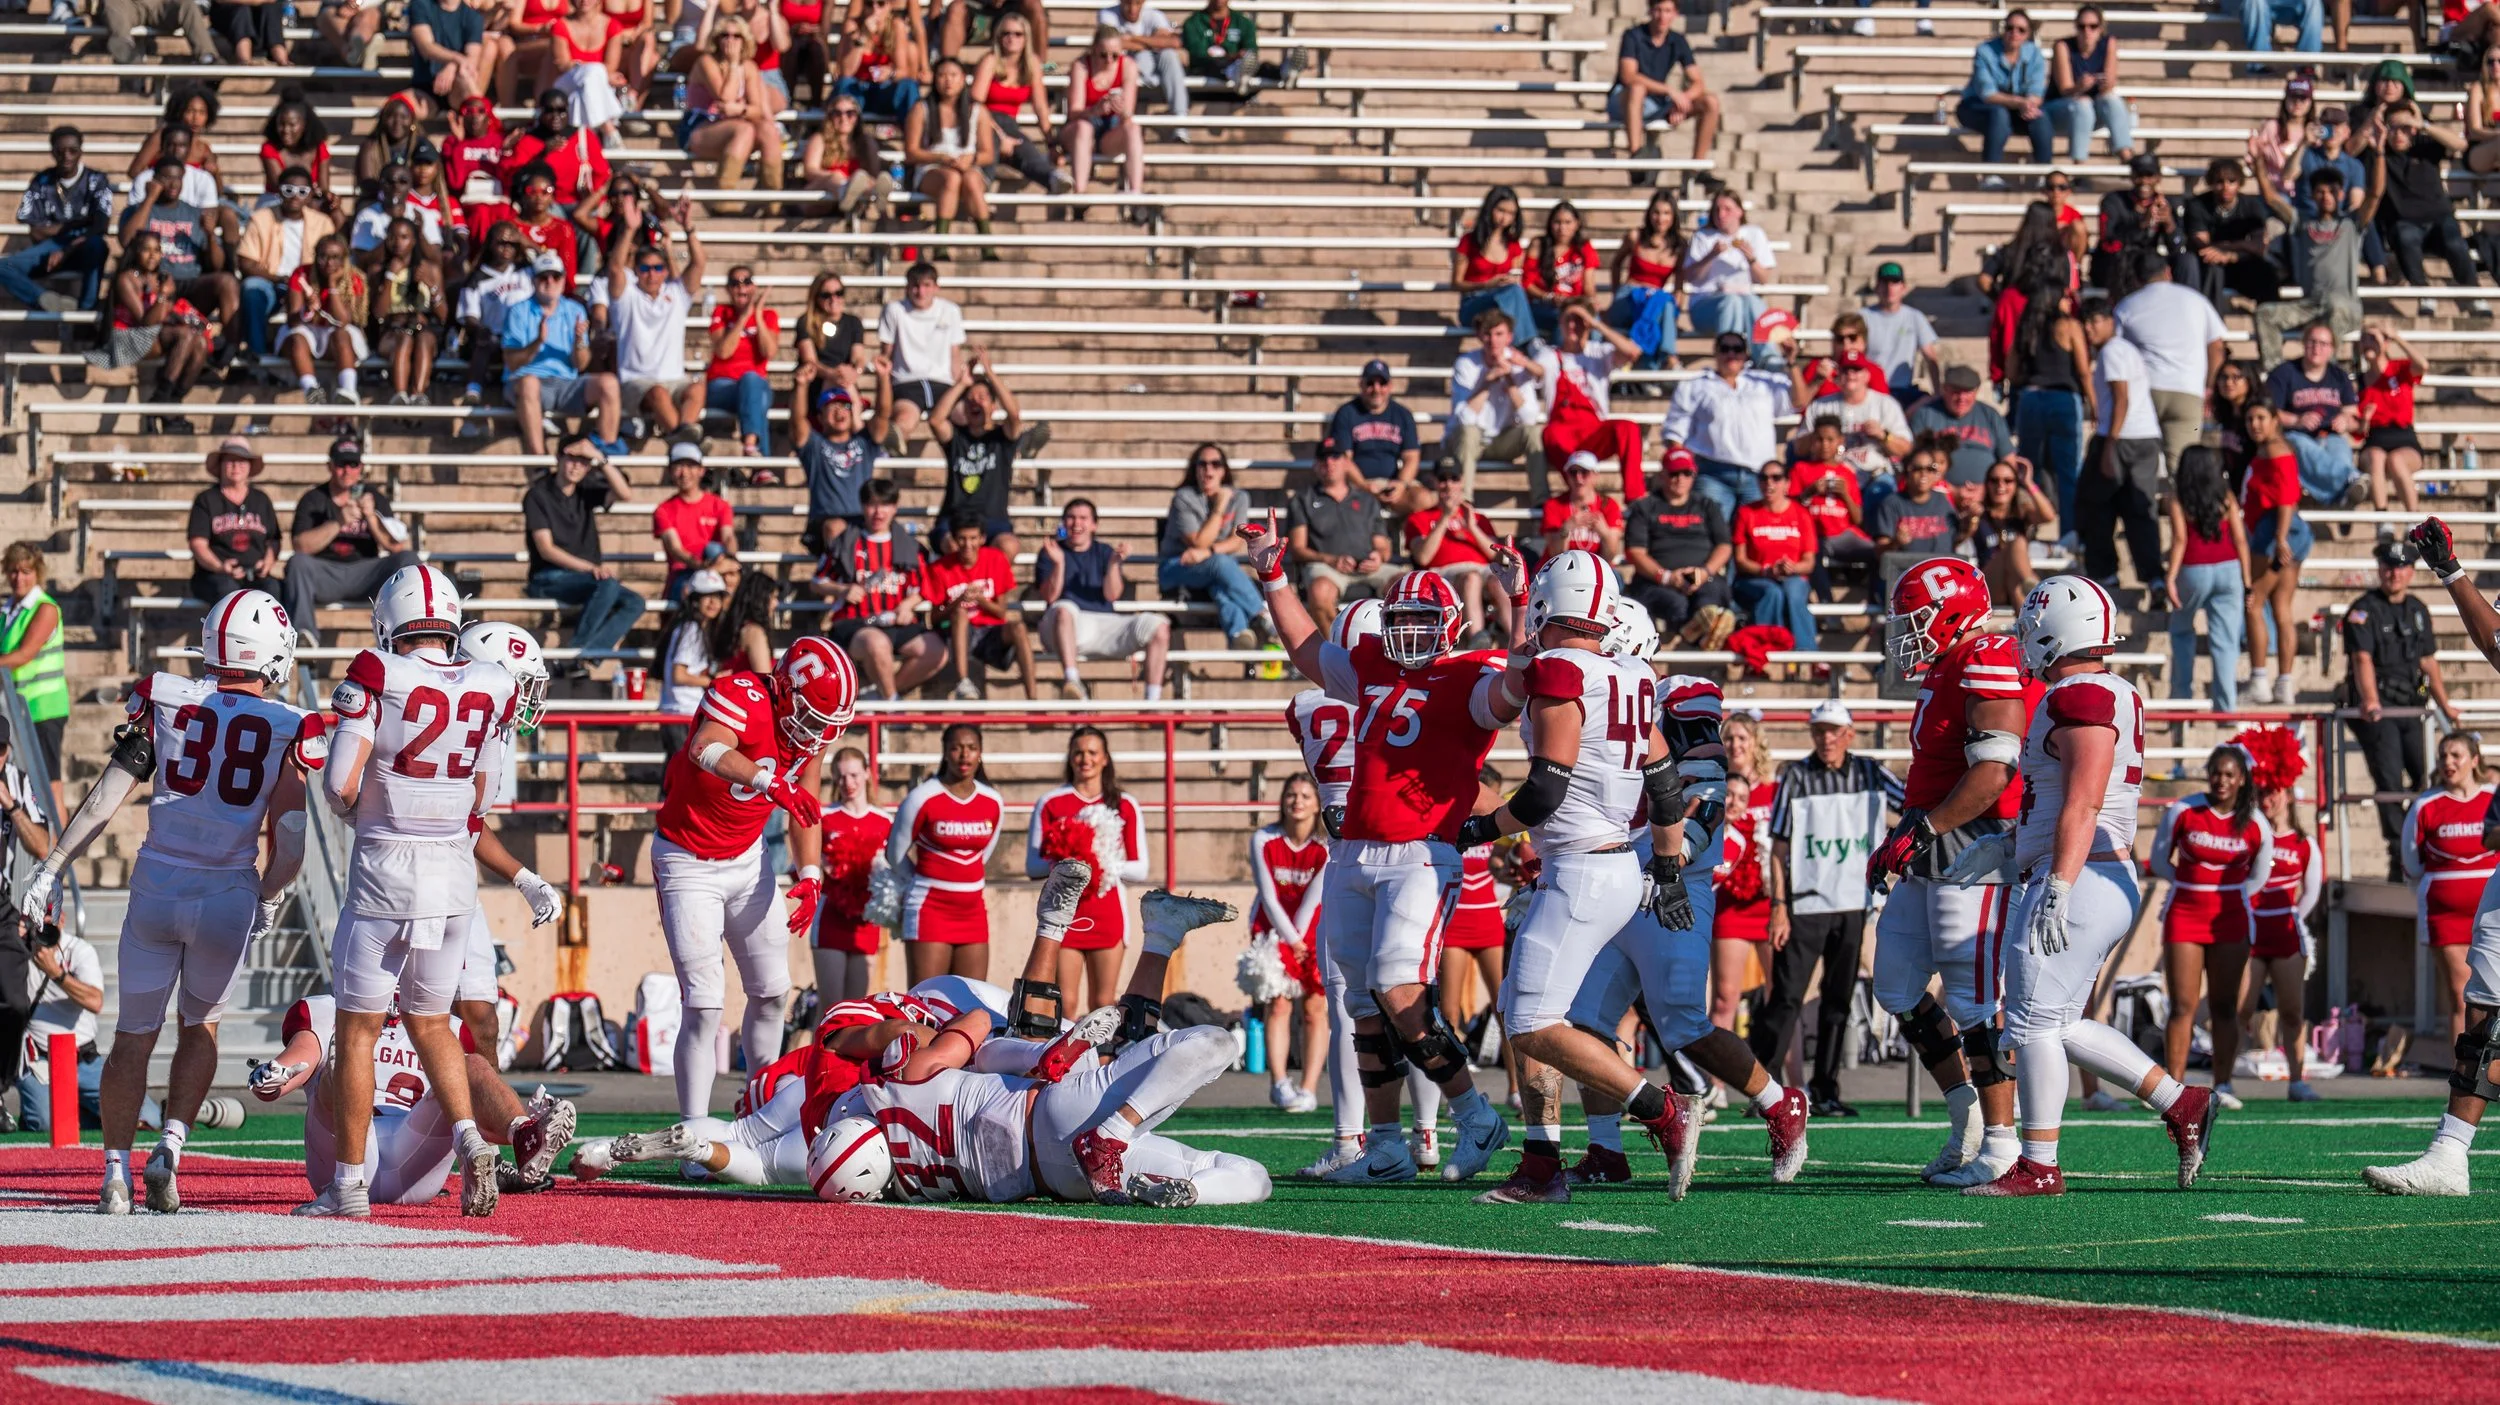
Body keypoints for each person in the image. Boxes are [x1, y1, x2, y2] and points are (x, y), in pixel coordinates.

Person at [1241, 514, 1524, 1185]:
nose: (1409, 631)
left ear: (1451, 625)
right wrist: (1272, 572)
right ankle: (1389, 1145)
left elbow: (1514, 688)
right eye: (1401, 618)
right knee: (1362, 1007)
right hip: (1353, 855)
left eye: (1424, 620)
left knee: (1398, 989)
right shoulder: (1371, 664)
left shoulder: (1468, 676)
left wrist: (1516, 601)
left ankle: (1474, 1112)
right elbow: (1309, 647)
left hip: (1420, 853)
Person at [20, 592, 308, 1211]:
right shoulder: (288, 725)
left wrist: (51, 867)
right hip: (227, 888)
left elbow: (103, 801)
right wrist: (268, 894)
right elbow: (290, 839)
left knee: (132, 1036)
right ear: (272, 656)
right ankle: (170, 1151)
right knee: (200, 1027)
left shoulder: (168, 698)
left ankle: (116, 1176)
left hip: (157, 884)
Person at [1965, 575, 2214, 1198]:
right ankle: (2182, 1104)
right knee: (2061, 1022)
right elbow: (2060, 804)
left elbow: (2084, 800)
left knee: (2032, 1025)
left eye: (2030, 627)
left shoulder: (2081, 694)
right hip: (2093, 870)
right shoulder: (2101, 691)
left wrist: (2058, 883)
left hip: (2081, 872)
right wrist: (2006, 850)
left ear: (2055, 632)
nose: (2023, 639)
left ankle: (2040, 1164)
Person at [1464, 552, 1698, 1203]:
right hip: (1616, 863)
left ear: (1549, 606)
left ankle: (1659, 1106)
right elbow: (1666, 784)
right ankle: (1541, 1162)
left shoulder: (1563, 670)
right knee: (1522, 1007)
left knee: (1532, 1020)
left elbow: (1544, 788)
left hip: (1582, 868)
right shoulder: (1628, 674)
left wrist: (1480, 829)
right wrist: (1669, 865)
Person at [1861, 559, 2036, 1183]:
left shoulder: (1984, 652)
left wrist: (1925, 826)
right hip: (1933, 835)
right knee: (1897, 984)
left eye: (1917, 619)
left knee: (1972, 998)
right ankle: (1965, 1119)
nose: (1907, 633)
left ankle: (2002, 1146)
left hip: (1973, 841)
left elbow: (1995, 771)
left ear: (1953, 611)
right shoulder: (1947, 665)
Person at [649, 635, 852, 1118]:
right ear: (785, 689)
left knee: (772, 991)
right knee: (704, 1005)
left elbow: (806, 801)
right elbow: (704, 748)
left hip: (748, 860)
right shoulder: (741, 693)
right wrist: (766, 780)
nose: (815, 733)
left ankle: (763, 1111)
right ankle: (693, 1131)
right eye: (812, 717)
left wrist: (809, 870)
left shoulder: (811, 735)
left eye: (826, 725)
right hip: (687, 860)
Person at [249, 991, 571, 1204]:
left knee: (468, 1066)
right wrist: (275, 1074)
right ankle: (509, 1136)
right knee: (341, 1061)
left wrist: (506, 1120)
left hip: (414, 1155)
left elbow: (470, 1107)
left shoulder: (445, 1027)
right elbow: (298, 1061)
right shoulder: (325, 1011)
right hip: (346, 1154)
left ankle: (523, 1135)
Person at [1756, 701, 1900, 1117]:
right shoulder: (1797, 776)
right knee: (1786, 997)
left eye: (1835, 730)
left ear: (1849, 734)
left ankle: (1826, 1090)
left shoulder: (1871, 771)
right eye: (1820, 730)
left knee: (1838, 1001)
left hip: (1854, 902)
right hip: (1807, 902)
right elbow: (1779, 846)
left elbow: (1913, 803)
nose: (1827, 738)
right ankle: (1760, 1086)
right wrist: (1779, 906)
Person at [2151, 746, 2267, 1112]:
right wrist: (2190, 885)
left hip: (2231, 918)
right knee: (2183, 1004)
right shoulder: (2184, 811)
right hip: (2185, 913)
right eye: (2216, 772)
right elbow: (2159, 860)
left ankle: (2223, 1083)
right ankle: (2173, 1087)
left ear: (2242, 779)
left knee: (2223, 1006)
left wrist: (2227, 894)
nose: (2221, 780)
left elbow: (2259, 876)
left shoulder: (2255, 822)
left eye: (2230, 774)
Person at [2343, 534, 2455, 875]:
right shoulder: (2363, 610)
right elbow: (2361, 660)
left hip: (2412, 707)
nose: (2394, 573)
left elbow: (2428, 663)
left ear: (2411, 571)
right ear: (2380, 569)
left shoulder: (2418, 610)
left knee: (2426, 776)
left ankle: (2425, 843)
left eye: (2402, 567)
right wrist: (2372, 702)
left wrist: (2446, 707)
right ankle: (2397, 852)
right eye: (2389, 567)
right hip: (2380, 711)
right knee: (2390, 783)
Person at [1022, 727, 1149, 1012]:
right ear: (1070, 758)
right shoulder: (1051, 802)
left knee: (1103, 1004)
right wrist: (1068, 861)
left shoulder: (1125, 804)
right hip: (1065, 915)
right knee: (1065, 1003)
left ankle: (1101, 1059)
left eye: (1093, 752)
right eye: (1078, 752)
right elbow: (1032, 866)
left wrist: (1098, 861)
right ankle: (1064, 1058)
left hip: (1108, 915)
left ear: (1105, 758)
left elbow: (1141, 869)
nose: (1085, 759)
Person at [888, 722, 1007, 980]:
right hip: (930, 909)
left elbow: (983, 854)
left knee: (972, 1003)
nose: (964, 755)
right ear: (944, 752)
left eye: (971, 748)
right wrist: (924, 881)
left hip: (974, 912)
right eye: (956, 748)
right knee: (925, 1002)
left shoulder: (993, 800)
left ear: (980, 752)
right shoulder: (921, 797)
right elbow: (894, 854)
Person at [2402, 733, 2497, 1045]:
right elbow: (2411, 864)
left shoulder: (2492, 797)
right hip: (2446, 915)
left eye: (2456, 755)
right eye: (2443, 756)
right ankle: (2460, 1081)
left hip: (2492, 912)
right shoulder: (2425, 805)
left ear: (2474, 760)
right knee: (2463, 993)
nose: (2448, 762)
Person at [523, 435, 645, 672]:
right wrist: (590, 568)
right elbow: (546, 550)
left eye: (584, 461)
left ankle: (587, 655)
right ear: (558, 458)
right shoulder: (538, 495)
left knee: (635, 602)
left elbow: (625, 494)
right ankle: (575, 653)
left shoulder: (586, 490)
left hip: (586, 580)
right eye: (571, 458)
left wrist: (601, 458)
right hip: (548, 577)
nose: (577, 466)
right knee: (607, 583)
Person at [282, 439, 419, 646]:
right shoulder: (313, 499)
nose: (347, 470)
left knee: (409, 559)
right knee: (297, 563)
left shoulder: (374, 497)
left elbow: (396, 546)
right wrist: (338, 522)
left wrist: (371, 518)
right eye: (341, 464)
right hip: (326, 574)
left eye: (353, 464)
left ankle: (408, 633)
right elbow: (300, 545)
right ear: (330, 466)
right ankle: (304, 635)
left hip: (366, 574)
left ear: (361, 468)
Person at [1247, 774, 1328, 1115]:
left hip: (1315, 928)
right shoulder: (1264, 838)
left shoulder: (1327, 844)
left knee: (1314, 1008)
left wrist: (1301, 939)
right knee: (1278, 1004)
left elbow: (1314, 897)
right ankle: (1279, 1082)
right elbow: (1267, 894)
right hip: (1272, 928)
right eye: (1291, 794)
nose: (1297, 801)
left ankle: (1309, 1087)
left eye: (1306, 795)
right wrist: (1290, 939)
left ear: (1318, 803)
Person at [1035, 499, 1169, 702]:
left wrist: (1115, 563)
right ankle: (1072, 682)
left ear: (1094, 525)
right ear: (1063, 522)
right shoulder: (1050, 552)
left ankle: (1152, 703)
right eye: (1071, 517)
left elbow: (1112, 595)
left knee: (1158, 625)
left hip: (1102, 624)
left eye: (1083, 518)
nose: (1076, 523)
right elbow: (1049, 597)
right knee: (1064, 609)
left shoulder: (1105, 552)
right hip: (1062, 628)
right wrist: (1059, 564)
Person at [2254, 154, 2377, 370]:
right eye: (2320, 192)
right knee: (2265, 314)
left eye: (2331, 192)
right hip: (2311, 305)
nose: (2326, 196)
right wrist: (2258, 162)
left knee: (2335, 308)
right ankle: (2274, 376)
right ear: (2312, 195)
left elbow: (2375, 193)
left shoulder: (2351, 224)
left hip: (2344, 306)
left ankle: (2326, 375)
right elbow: (2272, 198)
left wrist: (2379, 153)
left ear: (2341, 194)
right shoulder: (2302, 222)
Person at [2244, 758, 2320, 1101]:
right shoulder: (2249, 836)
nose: (2266, 800)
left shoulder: (2304, 843)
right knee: (2239, 1009)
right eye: (2260, 793)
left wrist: (2292, 918)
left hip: (2286, 935)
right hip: (2251, 935)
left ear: (2288, 794)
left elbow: (2312, 893)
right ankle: (2223, 1082)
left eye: (2272, 793)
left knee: (2292, 1012)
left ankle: (2297, 1081)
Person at [2078, 297, 2163, 600]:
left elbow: (2121, 397)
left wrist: (2109, 444)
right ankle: (2154, 578)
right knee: (2139, 509)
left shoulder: (2112, 351)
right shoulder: (2126, 349)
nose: (2090, 329)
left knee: (2095, 506)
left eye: (2095, 321)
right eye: (2085, 323)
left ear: (2110, 321)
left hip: (2121, 437)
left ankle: (2105, 573)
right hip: (2145, 436)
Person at [2111, 253, 2225, 478]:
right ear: (2168, 272)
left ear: (2137, 279)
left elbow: (2116, 354)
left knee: (2140, 465)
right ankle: (2181, 510)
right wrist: (2210, 387)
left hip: (2144, 392)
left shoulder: (2127, 306)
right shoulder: (2196, 300)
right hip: (2187, 394)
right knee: (2182, 468)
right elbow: (2217, 349)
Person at [505, 252, 625, 457]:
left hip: (566, 383)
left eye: (555, 276)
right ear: (534, 281)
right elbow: (512, 362)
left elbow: (581, 364)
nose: (550, 282)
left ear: (563, 280)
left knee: (609, 383)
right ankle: (539, 461)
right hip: (527, 383)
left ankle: (606, 459)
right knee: (529, 383)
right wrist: (538, 342)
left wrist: (579, 340)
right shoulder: (518, 311)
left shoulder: (575, 310)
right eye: (544, 277)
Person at [89, 232, 212, 430]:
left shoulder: (162, 278)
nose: (152, 255)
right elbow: (145, 322)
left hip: (157, 336)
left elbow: (165, 317)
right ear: (136, 252)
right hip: (129, 337)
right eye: (147, 250)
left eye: (157, 250)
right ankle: (161, 401)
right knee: (186, 335)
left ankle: (170, 402)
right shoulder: (126, 279)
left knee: (200, 342)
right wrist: (163, 295)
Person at [2368, 106, 2484, 310]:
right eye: (2393, 127)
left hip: (2440, 217)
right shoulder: (2379, 152)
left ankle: (2473, 293)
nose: (2399, 134)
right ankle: (2424, 293)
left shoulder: (2425, 145)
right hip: (2405, 221)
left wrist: (2423, 125)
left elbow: (2460, 145)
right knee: (2405, 238)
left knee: (2455, 242)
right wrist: (2378, 146)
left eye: (2405, 128)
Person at [2162, 446, 2250, 713]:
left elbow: (2180, 540)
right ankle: (2226, 709)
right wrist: (2247, 581)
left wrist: (2170, 577)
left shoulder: (2178, 499)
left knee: (2181, 632)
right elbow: (2240, 540)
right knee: (2225, 642)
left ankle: (2181, 703)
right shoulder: (2226, 497)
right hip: (2229, 569)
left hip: (2193, 570)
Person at [608, 195, 702, 442]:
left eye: (658, 268)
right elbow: (616, 269)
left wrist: (688, 228)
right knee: (658, 393)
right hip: (636, 382)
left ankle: (682, 436)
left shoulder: (676, 294)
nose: (652, 274)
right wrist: (629, 229)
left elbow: (699, 264)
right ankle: (687, 443)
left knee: (697, 387)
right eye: (645, 268)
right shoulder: (627, 297)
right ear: (636, 271)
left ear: (665, 271)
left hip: (674, 380)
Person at [2008, 264, 2092, 535]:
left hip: (2030, 399)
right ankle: (2069, 533)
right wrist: (2093, 402)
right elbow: (2082, 369)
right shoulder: (2068, 326)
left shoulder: (2025, 327)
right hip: (2063, 399)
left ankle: (2025, 531)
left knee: (2028, 470)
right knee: (2068, 472)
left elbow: (2011, 370)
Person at [1663, 332, 1782, 521]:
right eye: (1725, 349)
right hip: (1712, 473)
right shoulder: (1695, 385)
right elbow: (1675, 434)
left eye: (1737, 349)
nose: (1731, 354)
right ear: (1715, 353)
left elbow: (1798, 401)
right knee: (1710, 537)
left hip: (1758, 475)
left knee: (1754, 540)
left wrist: (1791, 361)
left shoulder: (1764, 383)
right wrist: (1684, 474)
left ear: (1746, 354)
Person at [917, 510, 1037, 699]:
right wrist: (959, 601)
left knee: (1019, 627)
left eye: (973, 538)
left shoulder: (996, 560)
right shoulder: (940, 568)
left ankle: (1033, 698)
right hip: (954, 634)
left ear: (982, 538)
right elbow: (934, 618)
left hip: (989, 633)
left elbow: (1001, 613)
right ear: (955, 540)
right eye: (962, 538)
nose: (968, 544)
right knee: (960, 614)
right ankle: (963, 682)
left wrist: (980, 600)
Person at [1622, 447, 1734, 646]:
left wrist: (1704, 572)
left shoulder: (1708, 506)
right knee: (1676, 603)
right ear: (1663, 475)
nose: (1680, 478)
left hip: (1702, 577)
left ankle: (1698, 627)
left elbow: (1724, 546)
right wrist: (1666, 577)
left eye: (1686, 473)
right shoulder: (1645, 507)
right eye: (1674, 473)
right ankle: (1702, 631)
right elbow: (1635, 552)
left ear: (1694, 476)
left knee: (1712, 592)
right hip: (1657, 581)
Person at [1158, 444, 1263, 649]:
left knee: (1221, 585)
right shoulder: (1184, 498)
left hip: (1215, 570)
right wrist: (1220, 507)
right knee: (1220, 565)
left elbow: (1236, 541)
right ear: (1195, 469)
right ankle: (1262, 614)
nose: (1209, 470)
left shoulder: (1240, 497)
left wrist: (1208, 552)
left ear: (1224, 470)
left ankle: (1238, 633)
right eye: (1203, 464)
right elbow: (1199, 542)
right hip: (1176, 568)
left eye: (1215, 464)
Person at [1284, 438, 1397, 627]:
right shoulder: (1302, 499)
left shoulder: (1367, 500)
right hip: (1326, 569)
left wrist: (1378, 557)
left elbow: (1382, 546)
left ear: (1347, 463)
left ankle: (1394, 651)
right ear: (1316, 465)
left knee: (1407, 586)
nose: (1329, 462)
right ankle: (1335, 653)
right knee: (1320, 591)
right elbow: (1297, 549)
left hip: (1369, 568)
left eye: (1335, 456)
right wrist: (1331, 560)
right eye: (1323, 458)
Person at [1447, 308, 1556, 505]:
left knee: (1533, 433)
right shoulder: (1466, 364)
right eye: (1488, 334)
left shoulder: (1518, 363)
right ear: (1479, 336)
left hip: (1504, 440)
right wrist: (1487, 382)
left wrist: (1508, 379)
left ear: (1509, 337)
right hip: (1470, 441)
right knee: (1468, 432)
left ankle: (1542, 501)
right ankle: (1463, 502)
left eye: (1499, 334)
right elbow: (1464, 419)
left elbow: (1529, 418)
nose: (1493, 340)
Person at [1, 128, 114, 315]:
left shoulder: (96, 179)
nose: (66, 156)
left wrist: (66, 245)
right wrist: (80, 223)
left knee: (98, 246)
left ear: (81, 151)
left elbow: (101, 225)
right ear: (52, 152)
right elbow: (36, 231)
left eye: (73, 150)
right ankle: (45, 300)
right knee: (3, 266)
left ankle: (86, 310)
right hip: (49, 250)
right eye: (60, 151)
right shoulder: (42, 180)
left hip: (82, 247)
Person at [1542, 299, 1646, 500]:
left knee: (1629, 428)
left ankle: (1635, 496)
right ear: (1560, 324)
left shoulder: (1599, 351)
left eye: (1579, 321)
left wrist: (1596, 323)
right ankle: (1580, 493)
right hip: (1564, 431)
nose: (1573, 326)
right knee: (1550, 434)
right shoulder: (1549, 355)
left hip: (1594, 430)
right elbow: (1537, 369)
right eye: (1568, 320)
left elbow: (1633, 352)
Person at [809, 747, 891, 1001]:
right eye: (841, 776)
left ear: (867, 773)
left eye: (854, 775)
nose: (849, 783)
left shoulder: (885, 821)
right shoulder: (824, 817)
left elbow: (896, 875)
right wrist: (820, 864)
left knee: (856, 1012)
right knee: (830, 1010)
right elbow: (798, 868)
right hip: (830, 918)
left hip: (867, 921)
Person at [2239, 400, 2306, 705]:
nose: (2255, 424)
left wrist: (2279, 538)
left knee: (2254, 604)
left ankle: (2259, 679)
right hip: (2281, 532)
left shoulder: (2277, 450)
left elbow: (2288, 498)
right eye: (2251, 417)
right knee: (2281, 608)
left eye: (2261, 417)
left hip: (2274, 533)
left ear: (2275, 419)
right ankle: (2284, 683)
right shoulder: (2267, 449)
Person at [1404, 463, 1512, 648]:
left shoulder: (1477, 518)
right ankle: (1478, 638)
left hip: (1483, 569)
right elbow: (1422, 557)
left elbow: (1498, 557)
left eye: (1453, 479)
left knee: (1501, 579)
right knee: (1472, 579)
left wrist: (1472, 527)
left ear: (1461, 482)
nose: (1448, 484)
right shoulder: (1419, 518)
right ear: (1435, 483)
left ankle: (1520, 638)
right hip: (1443, 573)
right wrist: (1444, 517)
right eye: (1443, 479)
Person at [931, 353, 1029, 552]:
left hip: (993, 520)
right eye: (969, 399)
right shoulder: (957, 438)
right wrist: (961, 383)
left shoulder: (1002, 437)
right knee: (951, 545)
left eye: (981, 398)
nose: (974, 402)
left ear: (993, 406)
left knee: (1009, 546)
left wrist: (990, 373)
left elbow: (1014, 415)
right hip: (954, 518)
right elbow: (936, 420)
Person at [684, 20, 786, 207]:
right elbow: (725, 97)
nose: (730, 41)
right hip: (701, 126)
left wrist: (741, 109)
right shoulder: (706, 62)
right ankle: (724, 198)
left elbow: (757, 109)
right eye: (725, 35)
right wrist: (733, 65)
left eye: (736, 36)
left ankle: (773, 201)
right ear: (716, 39)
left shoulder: (749, 67)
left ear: (744, 39)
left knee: (768, 130)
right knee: (744, 129)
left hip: (735, 127)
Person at [2266, 320, 2362, 513]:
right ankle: (2348, 484)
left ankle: (2344, 497)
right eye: (2312, 342)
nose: (2317, 348)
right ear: (2303, 344)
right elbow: (2268, 413)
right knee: (2302, 446)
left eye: (2323, 343)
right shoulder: (2284, 373)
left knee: (2341, 449)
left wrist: (2344, 419)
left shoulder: (2339, 376)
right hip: (2294, 435)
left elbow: (2353, 416)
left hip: (2330, 435)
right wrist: (2296, 420)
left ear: (2332, 349)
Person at [906, 57, 999, 253]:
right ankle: (941, 244)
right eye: (942, 75)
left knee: (972, 179)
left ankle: (987, 244)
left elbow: (988, 153)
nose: (948, 80)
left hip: (967, 166)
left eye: (953, 75)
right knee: (951, 178)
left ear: (963, 78)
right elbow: (911, 152)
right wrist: (941, 158)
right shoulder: (921, 109)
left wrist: (970, 159)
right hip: (932, 168)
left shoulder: (977, 111)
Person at [1609, 0, 1719, 164]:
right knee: (1637, 89)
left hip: (1657, 102)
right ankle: (1636, 154)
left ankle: (1698, 166)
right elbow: (1628, 76)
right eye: (1658, 10)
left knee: (1711, 102)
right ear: (1650, 12)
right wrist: (1669, 91)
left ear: (1675, 13)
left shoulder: (1677, 40)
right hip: (1625, 101)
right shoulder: (1633, 36)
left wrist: (1682, 102)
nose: (1662, 16)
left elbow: (1697, 82)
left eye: (1667, 11)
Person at [794, 375, 892, 556]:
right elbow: (797, 419)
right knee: (835, 527)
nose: (840, 412)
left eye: (846, 406)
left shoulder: (865, 442)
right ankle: (847, 578)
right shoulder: (814, 446)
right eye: (832, 407)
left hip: (864, 520)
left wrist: (883, 377)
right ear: (820, 417)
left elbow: (883, 413)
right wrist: (801, 385)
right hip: (824, 523)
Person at [1730, 460, 1819, 654]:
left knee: (1793, 589)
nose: (1769, 483)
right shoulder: (1746, 513)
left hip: (1793, 577)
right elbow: (1740, 561)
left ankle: (1808, 653)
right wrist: (1767, 570)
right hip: (1754, 579)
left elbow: (1809, 563)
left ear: (1787, 483)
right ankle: (1766, 650)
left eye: (1776, 478)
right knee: (1772, 592)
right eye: (1763, 478)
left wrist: (1791, 568)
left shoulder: (1801, 514)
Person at [876, 261, 966, 449]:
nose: (920, 292)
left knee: (965, 416)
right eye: (915, 286)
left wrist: (962, 385)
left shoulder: (950, 311)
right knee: (904, 420)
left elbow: (955, 355)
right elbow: (886, 354)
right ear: (907, 287)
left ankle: (978, 454)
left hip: (943, 383)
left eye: (926, 285)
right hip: (907, 382)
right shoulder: (894, 310)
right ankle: (889, 449)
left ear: (936, 287)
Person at [186, 439, 283, 605]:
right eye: (230, 460)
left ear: (250, 466)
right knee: (229, 592)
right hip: (214, 576)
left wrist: (267, 563)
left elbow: (274, 540)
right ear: (221, 465)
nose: (236, 466)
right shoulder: (206, 500)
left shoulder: (261, 500)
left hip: (255, 576)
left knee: (273, 589)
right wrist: (219, 567)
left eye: (242, 460)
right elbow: (198, 543)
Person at [1958, 10, 2053, 178]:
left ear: (2028, 34)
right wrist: (2021, 103)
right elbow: (1987, 94)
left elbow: (2037, 92)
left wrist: (2029, 105)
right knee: (1998, 113)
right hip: (1975, 107)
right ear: (2003, 29)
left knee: (2039, 117)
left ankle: (2045, 177)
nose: (2014, 33)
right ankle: (1991, 174)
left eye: (2021, 30)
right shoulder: (1985, 51)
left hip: (2015, 110)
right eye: (2010, 28)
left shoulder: (2034, 54)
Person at [698, 263, 779, 458]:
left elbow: (768, 351)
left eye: (746, 282)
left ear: (754, 287)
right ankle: (759, 460)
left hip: (755, 386)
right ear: (728, 289)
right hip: (722, 386)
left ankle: (752, 449)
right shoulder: (721, 313)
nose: (741, 287)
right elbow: (724, 351)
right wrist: (743, 318)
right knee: (755, 394)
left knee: (752, 383)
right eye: (735, 283)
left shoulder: (768, 316)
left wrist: (757, 315)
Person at [972, 13, 1060, 190]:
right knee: (994, 139)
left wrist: (1051, 144)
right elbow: (975, 104)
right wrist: (1001, 135)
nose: (1011, 38)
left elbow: (1041, 107)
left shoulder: (1032, 64)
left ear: (1026, 38)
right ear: (999, 37)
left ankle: (1053, 179)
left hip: (1009, 125)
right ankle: (982, 185)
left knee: (1024, 147)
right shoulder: (990, 61)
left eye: (1018, 34)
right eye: (1006, 33)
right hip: (984, 122)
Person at [1325, 361, 1425, 514]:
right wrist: (1364, 485)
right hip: (1356, 485)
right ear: (1361, 384)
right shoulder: (1347, 413)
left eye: (1382, 383)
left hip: (1392, 485)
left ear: (1390, 385)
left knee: (1423, 499)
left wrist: (1401, 484)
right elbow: (1344, 459)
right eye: (1370, 383)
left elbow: (1412, 456)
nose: (1376, 389)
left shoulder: (1402, 415)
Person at [1062, 23, 1146, 202]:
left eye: (1115, 55)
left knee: (1133, 128)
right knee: (1084, 128)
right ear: (1093, 51)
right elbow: (1073, 112)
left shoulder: (1128, 66)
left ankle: (1136, 191)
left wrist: (1120, 108)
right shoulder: (1081, 66)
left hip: (1110, 131)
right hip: (1082, 129)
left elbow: (1128, 115)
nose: (1109, 60)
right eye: (1103, 55)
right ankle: (1080, 192)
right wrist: (1095, 110)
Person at [1680, 189, 1775, 342]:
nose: (1721, 214)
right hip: (1706, 305)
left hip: (1743, 302)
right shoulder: (1702, 236)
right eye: (1717, 209)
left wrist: (1751, 259)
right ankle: (1730, 352)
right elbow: (1691, 278)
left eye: (1727, 209)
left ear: (1739, 212)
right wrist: (1710, 256)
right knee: (1732, 301)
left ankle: (1767, 358)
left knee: (1754, 303)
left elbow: (1763, 279)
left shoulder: (1754, 234)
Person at [1451, 187, 1536, 355]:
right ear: (1490, 209)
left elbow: (1517, 277)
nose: (1505, 218)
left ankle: (1521, 347)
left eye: (1511, 213)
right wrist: (1487, 284)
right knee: (1512, 293)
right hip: (1474, 303)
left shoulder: (1513, 245)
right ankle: (1528, 345)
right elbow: (1456, 283)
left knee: (1514, 290)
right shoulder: (1469, 241)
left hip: (1503, 306)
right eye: (1501, 210)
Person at [1605, 188, 1683, 369]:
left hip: (1655, 301)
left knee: (1662, 304)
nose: (1660, 218)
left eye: (1666, 213)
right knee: (1661, 302)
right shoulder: (1635, 237)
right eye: (1656, 212)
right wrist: (1616, 292)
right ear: (1649, 214)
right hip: (1630, 296)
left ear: (1673, 216)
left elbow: (1679, 285)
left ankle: (1648, 371)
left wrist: (1674, 315)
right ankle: (1669, 357)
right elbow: (1616, 263)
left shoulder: (1679, 246)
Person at [2045, 6, 2131, 163]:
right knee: (2083, 104)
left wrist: (2104, 83)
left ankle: (2126, 154)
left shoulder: (2109, 43)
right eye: (2081, 26)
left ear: (2100, 28)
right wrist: (2079, 87)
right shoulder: (2063, 46)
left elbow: (2109, 85)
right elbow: (2065, 89)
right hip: (2060, 109)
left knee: (2111, 100)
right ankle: (2079, 163)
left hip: (2091, 110)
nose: (2087, 31)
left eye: (2093, 26)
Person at [653, 443, 736, 601]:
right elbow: (675, 549)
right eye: (679, 467)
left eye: (691, 466)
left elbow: (728, 538)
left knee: (715, 550)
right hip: (685, 573)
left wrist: (730, 560)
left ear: (701, 471)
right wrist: (706, 568)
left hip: (717, 570)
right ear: (670, 472)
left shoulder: (719, 505)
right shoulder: (664, 510)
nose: (684, 473)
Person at [1909, 365, 2014, 490]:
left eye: (1967, 392)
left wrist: (1986, 490)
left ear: (1976, 391)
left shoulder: (1990, 415)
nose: (1961, 398)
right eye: (1956, 392)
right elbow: (1916, 462)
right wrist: (1952, 491)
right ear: (1945, 389)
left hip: (1989, 492)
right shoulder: (1925, 415)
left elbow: (2009, 461)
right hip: (1938, 492)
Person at [2356, 324, 2423, 514]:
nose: (2369, 344)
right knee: (2377, 457)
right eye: (2364, 339)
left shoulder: (2399, 369)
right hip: (2375, 440)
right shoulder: (2359, 382)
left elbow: (2423, 365)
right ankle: (2382, 521)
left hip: (2404, 438)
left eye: (2373, 338)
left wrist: (2397, 338)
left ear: (2385, 343)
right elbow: (2359, 432)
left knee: (2395, 460)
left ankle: (2413, 519)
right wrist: (2365, 420)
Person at [1098, 0, 1189, 139]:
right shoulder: (1107, 14)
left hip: (1148, 68)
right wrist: (1153, 42)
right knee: (1138, 59)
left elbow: (1172, 42)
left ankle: (1180, 120)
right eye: (1128, 3)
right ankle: (1122, 123)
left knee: (1169, 56)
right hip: (1126, 71)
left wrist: (1134, 38)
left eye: (1138, 3)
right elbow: (1110, 43)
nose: (1133, 9)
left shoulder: (1153, 15)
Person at [803, 95, 904, 217]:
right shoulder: (820, 139)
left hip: (856, 196)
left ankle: (877, 193)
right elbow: (810, 171)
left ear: (857, 117)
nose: (843, 117)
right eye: (837, 113)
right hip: (823, 194)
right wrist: (833, 176)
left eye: (850, 113)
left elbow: (871, 172)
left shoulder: (864, 143)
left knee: (866, 179)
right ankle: (844, 191)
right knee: (834, 179)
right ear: (830, 116)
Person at [832, 0, 926, 124]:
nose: (875, 9)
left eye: (881, 4)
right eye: (869, 4)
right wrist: (863, 37)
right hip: (858, 90)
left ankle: (915, 138)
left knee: (909, 85)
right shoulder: (853, 26)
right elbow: (847, 72)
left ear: (889, 6)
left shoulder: (896, 26)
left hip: (884, 89)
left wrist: (890, 73)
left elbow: (902, 71)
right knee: (845, 84)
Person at [1861, 263, 1940, 408]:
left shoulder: (1915, 317)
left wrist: (1938, 393)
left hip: (1903, 390)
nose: (1889, 288)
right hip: (1871, 390)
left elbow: (1931, 357)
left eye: (1895, 282)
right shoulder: (1863, 317)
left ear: (1903, 287)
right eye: (1885, 282)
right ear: (1877, 287)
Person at [1522, 202, 1598, 347]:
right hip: (1543, 305)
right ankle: (1562, 362)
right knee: (1565, 320)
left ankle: (1589, 362)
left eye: (1568, 222)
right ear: (1550, 224)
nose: (1562, 228)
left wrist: (1591, 302)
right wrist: (1549, 297)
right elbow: (1527, 284)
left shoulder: (1584, 247)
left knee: (1593, 320)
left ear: (1577, 224)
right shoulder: (1539, 245)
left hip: (1574, 304)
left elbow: (1588, 285)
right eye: (1557, 222)